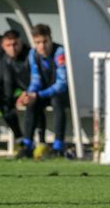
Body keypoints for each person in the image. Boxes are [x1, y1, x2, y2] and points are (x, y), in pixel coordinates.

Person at [16, 24, 70, 159]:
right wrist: (29, 94)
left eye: (45, 41)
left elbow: (62, 84)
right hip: (44, 93)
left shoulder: (59, 52)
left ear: (50, 39)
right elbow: (36, 80)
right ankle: (27, 145)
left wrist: (38, 94)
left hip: (62, 94)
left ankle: (58, 146)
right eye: (38, 42)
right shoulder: (33, 54)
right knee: (31, 103)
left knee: (57, 101)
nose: (42, 46)